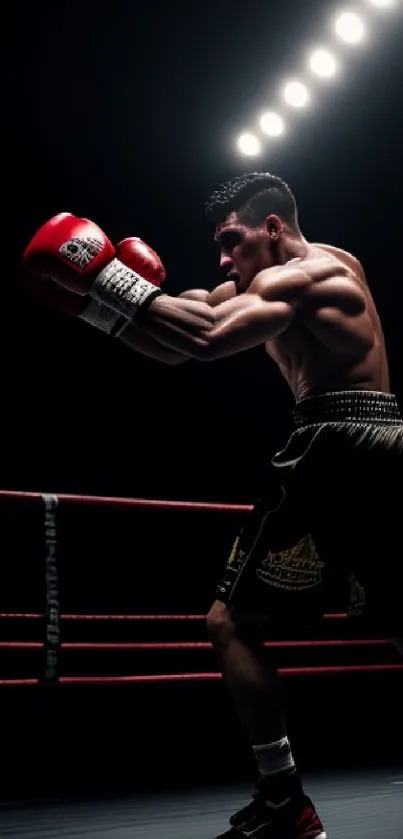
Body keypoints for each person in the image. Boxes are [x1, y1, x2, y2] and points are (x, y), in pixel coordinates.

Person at [22, 173, 403, 839]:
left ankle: (283, 798)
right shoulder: (287, 280)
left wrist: (104, 277)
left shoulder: (307, 278)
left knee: (229, 621)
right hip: (382, 445)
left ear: (273, 228)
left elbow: (200, 337)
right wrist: (92, 304)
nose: (223, 258)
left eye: (232, 240)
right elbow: (178, 335)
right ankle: (284, 801)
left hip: (335, 443)